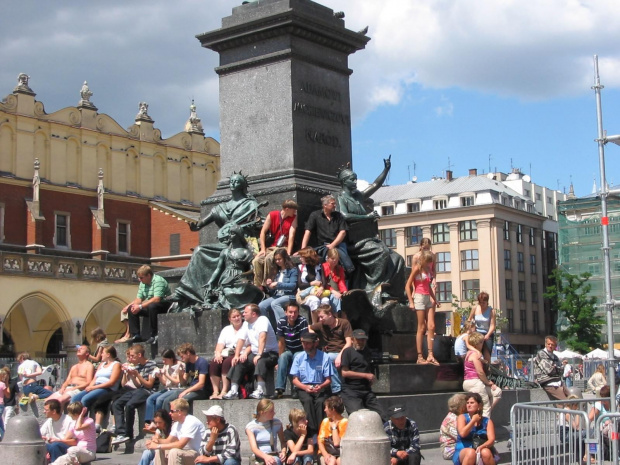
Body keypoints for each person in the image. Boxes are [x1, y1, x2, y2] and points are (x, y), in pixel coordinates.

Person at [171, 172, 262, 309]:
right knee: (199, 250)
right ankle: (184, 291)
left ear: (243, 185)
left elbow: (258, 223)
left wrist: (250, 227)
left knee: (205, 252)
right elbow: (201, 224)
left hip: (239, 245)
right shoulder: (220, 208)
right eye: (231, 181)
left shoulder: (250, 205)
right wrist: (195, 226)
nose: (233, 183)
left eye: (237, 181)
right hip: (224, 244)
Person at [335, 158, 405, 299]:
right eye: (351, 180)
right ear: (344, 182)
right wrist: (367, 217)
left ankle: (393, 293)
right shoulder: (340, 197)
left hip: (369, 239)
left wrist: (385, 170)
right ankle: (374, 290)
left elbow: (375, 184)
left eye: (355, 179)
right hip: (355, 241)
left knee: (398, 259)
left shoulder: (358, 196)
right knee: (382, 252)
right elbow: (344, 215)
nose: (355, 182)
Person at [224, 304, 279, 400]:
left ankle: (260, 390)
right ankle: (234, 390)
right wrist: (237, 355)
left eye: (245, 312)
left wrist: (259, 354)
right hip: (255, 353)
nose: (243, 314)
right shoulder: (246, 324)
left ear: (253, 314)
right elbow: (241, 340)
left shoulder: (262, 320)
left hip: (270, 352)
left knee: (260, 361)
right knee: (238, 362)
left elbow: (263, 337)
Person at [203, 223, 264, 310]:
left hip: (240, 277)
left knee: (246, 287)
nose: (229, 235)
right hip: (226, 278)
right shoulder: (225, 252)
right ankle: (234, 309)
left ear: (238, 235)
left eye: (232, 233)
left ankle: (244, 309)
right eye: (229, 233)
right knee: (228, 292)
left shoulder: (245, 252)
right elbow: (218, 268)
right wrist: (211, 281)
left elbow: (253, 269)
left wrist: (244, 274)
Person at [111, 344, 158, 445]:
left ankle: (128, 434)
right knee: (116, 404)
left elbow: (149, 385)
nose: (130, 358)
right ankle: (121, 433)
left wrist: (137, 375)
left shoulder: (152, 364)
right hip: (139, 390)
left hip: (148, 391)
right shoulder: (138, 366)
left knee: (130, 405)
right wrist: (131, 375)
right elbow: (137, 385)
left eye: (132, 356)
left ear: (139, 355)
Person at [290, 331, 333, 437]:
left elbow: (329, 379)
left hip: (321, 386)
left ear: (315, 343)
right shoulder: (299, 357)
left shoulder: (325, 357)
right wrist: (305, 387)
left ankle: (321, 430)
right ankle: (313, 432)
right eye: (303, 343)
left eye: (308, 343)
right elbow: (295, 380)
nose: (305, 346)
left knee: (321, 402)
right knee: (308, 401)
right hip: (304, 386)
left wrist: (321, 386)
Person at [71, 345, 121, 430]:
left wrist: (94, 388)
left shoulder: (116, 365)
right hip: (96, 386)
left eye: (103, 353)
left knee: (85, 399)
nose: (101, 355)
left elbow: (111, 382)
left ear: (108, 354)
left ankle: (84, 423)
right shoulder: (101, 364)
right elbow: (95, 378)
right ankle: (74, 421)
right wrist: (90, 386)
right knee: (75, 398)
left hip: (106, 388)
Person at [300, 194, 353, 275]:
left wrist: (333, 245)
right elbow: (308, 232)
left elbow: (343, 232)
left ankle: (346, 274)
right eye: (332, 204)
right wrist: (303, 249)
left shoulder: (338, 215)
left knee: (344, 263)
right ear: (325, 205)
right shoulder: (315, 215)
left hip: (338, 244)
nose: (335, 205)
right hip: (323, 245)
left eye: (335, 203)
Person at [340, 329, 385, 420]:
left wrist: (371, 378)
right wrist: (365, 375)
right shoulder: (348, 352)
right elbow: (344, 372)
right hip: (351, 390)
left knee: (382, 415)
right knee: (357, 417)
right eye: (359, 339)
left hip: (366, 390)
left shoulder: (367, 352)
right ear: (352, 339)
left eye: (363, 340)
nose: (361, 342)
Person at [146, 398, 206, 465]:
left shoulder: (191, 422)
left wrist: (157, 446)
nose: (169, 413)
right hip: (184, 452)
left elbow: (180, 444)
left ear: (179, 412)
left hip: (197, 454)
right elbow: (168, 441)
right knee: (159, 450)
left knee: (174, 452)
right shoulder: (176, 424)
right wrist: (155, 441)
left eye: (172, 411)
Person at [253, 200, 299, 287]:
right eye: (294, 210)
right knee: (257, 260)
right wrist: (263, 249)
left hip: (283, 247)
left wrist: (288, 252)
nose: (295, 212)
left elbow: (291, 236)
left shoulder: (293, 218)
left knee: (269, 258)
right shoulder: (272, 215)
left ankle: (267, 283)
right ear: (287, 209)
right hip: (272, 246)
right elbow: (263, 232)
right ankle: (258, 286)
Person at [122, 265, 172, 344]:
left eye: (141, 278)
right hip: (151, 306)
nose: (139, 280)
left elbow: (157, 299)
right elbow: (139, 299)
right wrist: (130, 306)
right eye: (139, 278)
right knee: (131, 309)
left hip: (164, 305)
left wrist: (140, 306)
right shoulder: (143, 283)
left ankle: (154, 335)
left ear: (148, 275)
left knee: (152, 306)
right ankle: (136, 335)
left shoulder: (158, 281)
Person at [309, 305, 352, 394]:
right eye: (319, 317)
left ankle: (337, 389)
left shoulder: (344, 323)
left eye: (322, 317)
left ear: (329, 314)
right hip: (329, 352)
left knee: (328, 357)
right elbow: (309, 327)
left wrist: (340, 356)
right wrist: (315, 336)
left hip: (343, 351)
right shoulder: (322, 325)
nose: (320, 319)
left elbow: (349, 343)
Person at [405, 250, 439, 365]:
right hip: (419, 297)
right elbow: (407, 286)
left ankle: (430, 354)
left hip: (427, 297)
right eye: (428, 261)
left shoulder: (428, 270)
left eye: (431, 262)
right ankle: (419, 356)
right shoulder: (417, 269)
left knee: (432, 326)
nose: (430, 264)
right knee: (421, 327)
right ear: (423, 260)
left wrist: (435, 299)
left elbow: (428, 286)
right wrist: (411, 301)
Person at [272, 301, 308, 400]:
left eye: (295, 312)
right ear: (285, 312)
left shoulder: (302, 321)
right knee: (283, 357)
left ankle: (296, 388)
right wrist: (279, 360)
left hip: (300, 349)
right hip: (288, 349)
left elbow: (304, 341)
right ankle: (279, 389)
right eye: (290, 312)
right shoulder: (281, 322)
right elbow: (281, 342)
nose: (293, 314)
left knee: (297, 357)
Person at [158, 343, 210, 411]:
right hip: (191, 388)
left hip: (201, 391)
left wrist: (186, 391)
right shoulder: (188, 363)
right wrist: (180, 374)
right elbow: (183, 383)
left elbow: (201, 384)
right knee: (167, 400)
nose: (182, 359)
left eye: (182, 356)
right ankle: (167, 420)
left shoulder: (202, 362)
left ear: (188, 353)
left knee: (181, 402)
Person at [462, 332, 502, 418]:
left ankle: (480, 417)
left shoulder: (469, 353)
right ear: (477, 343)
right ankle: (484, 427)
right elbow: (480, 372)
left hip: (467, 382)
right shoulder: (475, 354)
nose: (482, 344)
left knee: (497, 392)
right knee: (486, 405)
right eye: (481, 342)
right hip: (475, 382)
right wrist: (488, 382)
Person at [144, 349, 185, 432]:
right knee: (150, 399)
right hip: (168, 388)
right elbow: (165, 383)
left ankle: (158, 422)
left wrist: (166, 374)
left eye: (165, 359)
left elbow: (178, 382)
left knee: (160, 400)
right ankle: (150, 421)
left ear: (171, 358)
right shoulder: (166, 366)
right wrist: (159, 376)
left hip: (176, 389)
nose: (163, 361)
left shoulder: (180, 365)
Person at [210, 309, 246, 400]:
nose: (237, 318)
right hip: (227, 352)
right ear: (230, 319)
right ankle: (215, 391)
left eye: (238, 316)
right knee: (214, 363)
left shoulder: (246, 326)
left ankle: (224, 390)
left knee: (227, 363)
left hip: (241, 353)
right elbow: (220, 344)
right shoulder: (226, 329)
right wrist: (218, 353)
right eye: (234, 317)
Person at [258, 248, 299, 324]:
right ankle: (268, 327)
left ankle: (283, 325)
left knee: (275, 303)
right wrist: (269, 285)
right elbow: (272, 291)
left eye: (279, 259)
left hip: (289, 295)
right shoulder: (276, 271)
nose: (277, 261)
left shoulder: (292, 270)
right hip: (277, 295)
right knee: (261, 305)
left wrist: (278, 284)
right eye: (276, 260)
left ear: (284, 258)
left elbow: (292, 286)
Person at [453, 393, 496, 465]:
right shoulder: (462, 417)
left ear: (479, 405)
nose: (469, 405)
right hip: (463, 449)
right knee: (471, 453)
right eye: (467, 403)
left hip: (481, 447)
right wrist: (473, 421)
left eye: (472, 403)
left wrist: (482, 447)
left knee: (486, 452)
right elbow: (463, 433)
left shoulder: (487, 421)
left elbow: (491, 440)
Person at [246, 399, 287, 465]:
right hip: (259, 456)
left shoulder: (277, 423)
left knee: (273, 461)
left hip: (273, 454)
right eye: (271, 411)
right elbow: (254, 448)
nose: (274, 413)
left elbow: (283, 441)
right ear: (263, 413)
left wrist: (283, 451)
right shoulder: (251, 427)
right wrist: (266, 457)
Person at [296, 247, 327, 324]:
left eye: (301, 257)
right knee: (314, 300)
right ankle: (315, 324)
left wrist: (322, 288)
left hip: (318, 291)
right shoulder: (300, 267)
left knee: (325, 300)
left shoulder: (319, 266)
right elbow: (300, 285)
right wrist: (312, 283)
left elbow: (323, 281)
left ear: (307, 257)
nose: (300, 259)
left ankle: (325, 322)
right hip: (304, 293)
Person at [533, 335, 567, 401]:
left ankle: (563, 410)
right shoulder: (541, 354)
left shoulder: (555, 357)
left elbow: (561, 372)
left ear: (555, 346)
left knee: (573, 397)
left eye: (552, 345)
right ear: (545, 344)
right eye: (549, 344)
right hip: (546, 383)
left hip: (557, 382)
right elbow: (549, 370)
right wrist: (557, 368)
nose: (550, 346)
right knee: (566, 401)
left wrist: (556, 368)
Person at [317, 396, 348, 465]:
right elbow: (320, 441)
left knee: (340, 461)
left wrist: (334, 428)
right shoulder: (325, 421)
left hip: (340, 452)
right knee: (331, 461)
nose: (324, 410)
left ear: (332, 409)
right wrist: (325, 454)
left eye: (326, 407)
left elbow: (337, 443)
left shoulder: (345, 422)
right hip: (326, 451)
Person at [467, 292, 496, 362]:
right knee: (476, 352)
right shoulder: (475, 308)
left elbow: (493, 325)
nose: (482, 304)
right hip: (477, 333)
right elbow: (469, 319)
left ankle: (487, 369)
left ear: (487, 302)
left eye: (484, 303)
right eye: (480, 302)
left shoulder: (491, 311)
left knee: (487, 355)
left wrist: (487, 335)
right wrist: (472, 326)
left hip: (487, 333)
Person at [439, 394, 467, 461]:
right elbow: (461, 436)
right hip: (451, 449)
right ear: (461, 407)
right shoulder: (452, 420)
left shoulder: (458, 416)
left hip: (460, 445)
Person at [321, 248, 348, 315]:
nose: (335, 261)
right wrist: (333, 291)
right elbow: (324, 283)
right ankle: (336, 316)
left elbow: (341, 282)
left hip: (338, 292)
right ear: (328, 258)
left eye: (336, 259)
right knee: (336, 298)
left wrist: (344, 292)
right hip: (327, 291)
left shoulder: (339, 268)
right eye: (333, 258)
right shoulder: (323, 267)